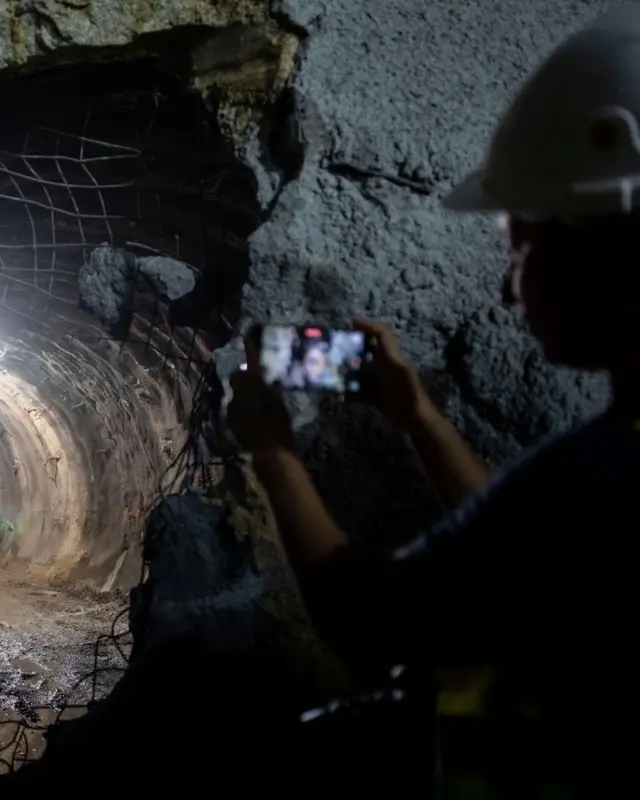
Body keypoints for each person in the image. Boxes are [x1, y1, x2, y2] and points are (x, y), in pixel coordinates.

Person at [227, 5, 640, 796]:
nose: (507, 289)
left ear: (602, 245)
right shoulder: (598, 482)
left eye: (520, 246)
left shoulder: (601, 476)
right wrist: (418, 417)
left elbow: (367, 620)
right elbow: (529, 556)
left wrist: (270, 448)